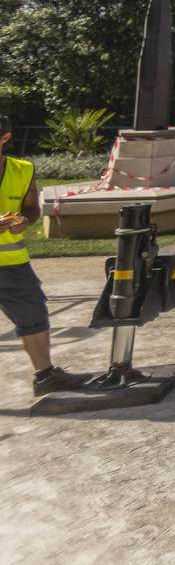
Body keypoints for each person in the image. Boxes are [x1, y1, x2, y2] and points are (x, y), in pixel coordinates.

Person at [1, 116, 86, 395]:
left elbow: (31, 208)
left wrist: (25, 220)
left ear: (4, 139)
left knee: (34, 315)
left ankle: (45, 376)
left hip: (11, 263)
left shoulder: (22, 169)